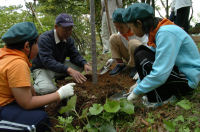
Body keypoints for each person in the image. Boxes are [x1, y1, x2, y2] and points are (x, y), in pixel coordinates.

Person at [0, 22, 75, 131]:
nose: (38, 47)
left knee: (39, 109)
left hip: (7, 101)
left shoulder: (6, 55)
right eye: (36, 44)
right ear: (27, 46)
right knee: (40, 119)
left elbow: (27, 89)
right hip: (3, 108)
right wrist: (60, 94)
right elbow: (27, 103)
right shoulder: (17, 64)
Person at [122, 3, 200, 108]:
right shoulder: (157, 31)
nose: (132, 31)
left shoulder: (166, 33)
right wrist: (139, 83)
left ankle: (162, 99)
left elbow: (160, 73)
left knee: (141, 54)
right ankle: (164, 94)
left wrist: (137, 92)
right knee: (141, 51)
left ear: (139, 23)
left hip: (188, 79)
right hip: (178, 71)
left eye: (131, 27)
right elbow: (154, 58)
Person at [31, 13, 92, 95]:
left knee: (80, 65)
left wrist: (84, 63)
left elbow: (74, 55)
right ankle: (39, 83)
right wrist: (69, 70)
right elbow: (47, 61)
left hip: (59, 65)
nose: (68, 32)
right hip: (43, 68)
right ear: (56, 27)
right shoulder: (45, 38)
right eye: (65, 29)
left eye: (70, 29)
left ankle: (59, 78)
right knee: (47, 89)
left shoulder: (68, 40)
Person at [108, 8, 148, 77]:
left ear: (128, 24)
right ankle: (120, 64)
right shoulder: (120, 34)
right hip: (128, 57)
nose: (119, 30)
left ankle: (135, 67)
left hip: (139, 58)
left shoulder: (138, 31)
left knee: (132, 43)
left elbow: (146, 48)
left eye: (121, 27)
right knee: (113, 38)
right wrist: (113, 59)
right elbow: (117, 45)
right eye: (117, 27)